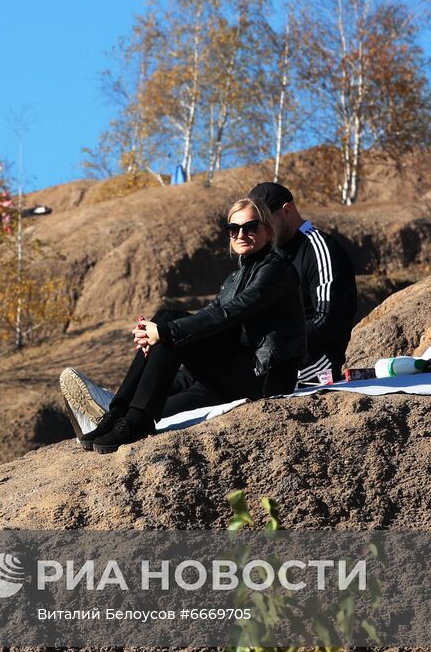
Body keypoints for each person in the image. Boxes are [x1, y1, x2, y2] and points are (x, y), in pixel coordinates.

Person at [75, 198, 306, 455]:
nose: (241, 234)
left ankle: (138, 421)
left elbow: (230, 312)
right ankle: (118, 413)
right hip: (236, 368)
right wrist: (156, 329)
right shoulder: (236, 276)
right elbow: (211, 312)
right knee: (167, 316)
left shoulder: (277, 270)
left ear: (268, 230)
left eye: (250, 227)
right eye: (234, 228)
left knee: (172, 331)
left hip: (265, 376)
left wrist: (164, 332)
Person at [248, 182, 358, 385]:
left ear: (287, 211)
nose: (260, 230)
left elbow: (326, 322)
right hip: (271, 355)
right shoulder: (269, 252)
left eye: (265, 221)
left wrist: (272, 347)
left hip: (317, 362)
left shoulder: (320, 248)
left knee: (234, 384)